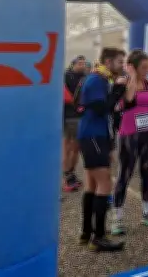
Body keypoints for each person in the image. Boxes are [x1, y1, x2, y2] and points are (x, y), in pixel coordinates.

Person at [76, 47, 127, 252]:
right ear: (107, 62)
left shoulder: (101, 78)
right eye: (119, 62)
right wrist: (118, 90)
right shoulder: (97, 79)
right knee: (104, 184)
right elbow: (100, 108)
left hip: (95, 135)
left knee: (91, 184)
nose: (122, 66)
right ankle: (98, 237)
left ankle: (87, 233)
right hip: (93, 135)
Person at [111, 50, 148, 235]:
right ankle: (117, 219)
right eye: (144, 67)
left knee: (147, 172)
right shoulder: (123, 82)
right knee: (125, 174)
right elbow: (129, 100)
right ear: (133, 66)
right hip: (129, 133)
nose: (147, 70)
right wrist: (132, 75)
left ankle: (147, 213)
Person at [63, 55, 87, 192]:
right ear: (73, 64)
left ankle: (70, 174)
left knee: (74, 148)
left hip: (80, 116)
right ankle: (67, 176)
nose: (82, 65)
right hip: (70, 116)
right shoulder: (67, 76)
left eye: (84, 63)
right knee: (72, 147)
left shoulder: (84, 76)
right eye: (79, 63)